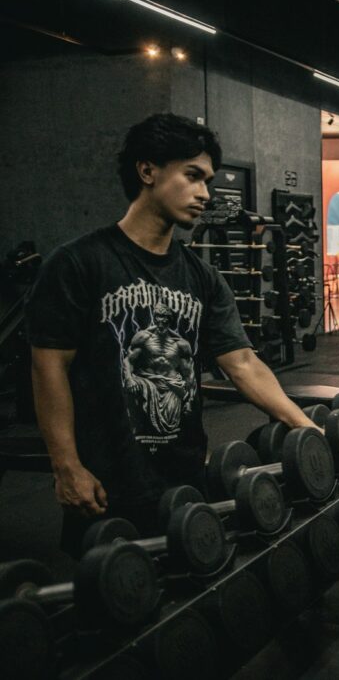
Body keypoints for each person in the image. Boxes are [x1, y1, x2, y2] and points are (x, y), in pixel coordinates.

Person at [27, 113, 319, 556]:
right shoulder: (79, 264)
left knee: (194, 583)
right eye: (192, 176)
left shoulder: (202, 277)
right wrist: (65, 466)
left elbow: (242, 363)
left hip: (186, 478)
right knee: (115, 590)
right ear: (148, 171)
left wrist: (306, 427)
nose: (205, 193)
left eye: (208, 181)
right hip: (108, 481)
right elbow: (48, 367)